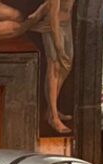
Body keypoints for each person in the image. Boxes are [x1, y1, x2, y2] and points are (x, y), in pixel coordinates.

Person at [30, 0, 74, 134]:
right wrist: (58, 43)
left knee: (66, 66)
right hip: (53, 26)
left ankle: (51, 109)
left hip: (66, 24)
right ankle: (54, 117)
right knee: (54, 67)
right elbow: (53, 14)